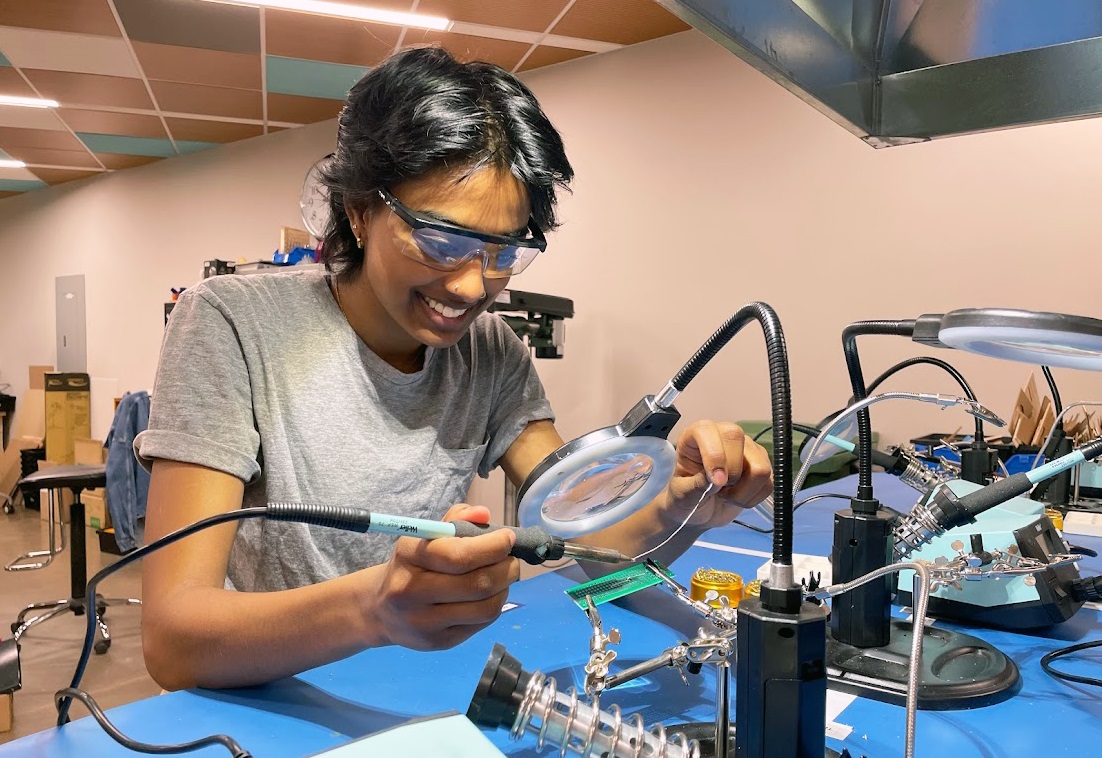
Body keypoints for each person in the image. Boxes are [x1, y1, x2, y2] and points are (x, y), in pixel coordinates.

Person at [136, 46, 772, 692]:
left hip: (419, 690)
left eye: (503, 253)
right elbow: (172, 635)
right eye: (441, 241)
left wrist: (682, 502)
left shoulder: (491, 354)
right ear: (359, 210)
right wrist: (374, 609)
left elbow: (588, 546)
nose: (472, 287)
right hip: (270, 702)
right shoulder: (229, 324)